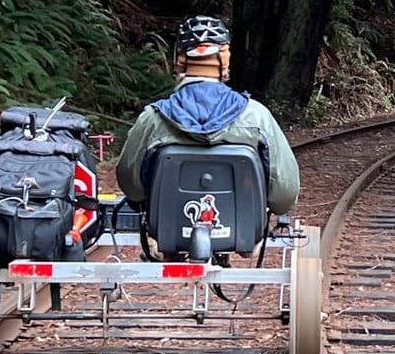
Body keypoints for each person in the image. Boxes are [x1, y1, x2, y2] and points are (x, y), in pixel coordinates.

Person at [117, 15, 300, 218]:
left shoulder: (153, 118)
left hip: (168, 226)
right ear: (225, 58)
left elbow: (131, 186)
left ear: (180, 60)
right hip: (241, 227)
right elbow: (285, 194)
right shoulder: (257, 117)